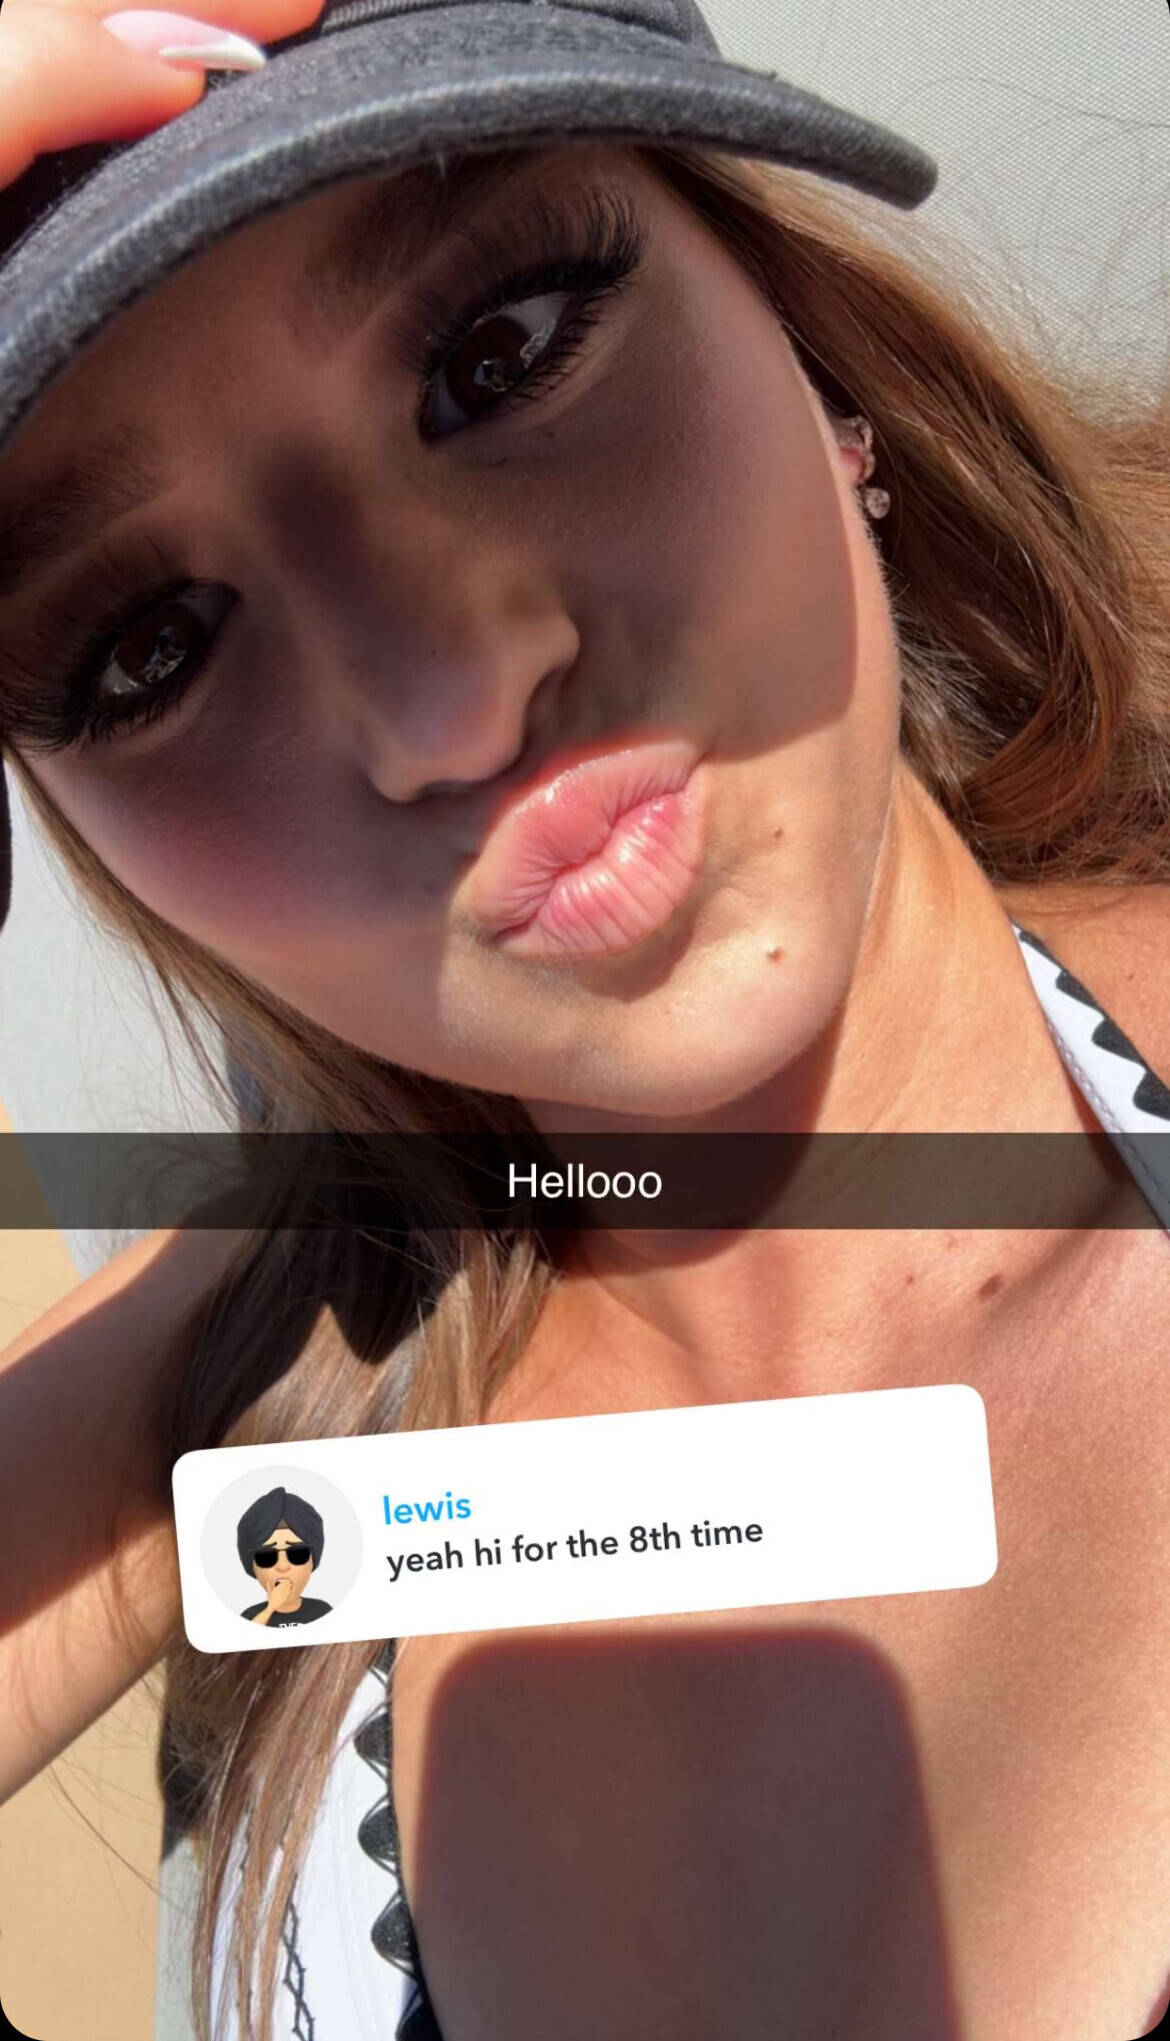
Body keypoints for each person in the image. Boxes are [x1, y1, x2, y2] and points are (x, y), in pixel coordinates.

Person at [0, 2, 1168, 2037]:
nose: (452, 705)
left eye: (501, 352)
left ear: (816, 363)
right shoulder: (289, 1402)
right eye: (148, 647)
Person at [236, 1486, 332, 1626]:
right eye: (266, 1556)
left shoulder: (322, 1611)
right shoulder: (251, 1617)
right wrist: (270, 1608)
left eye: (298, 1554)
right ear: (252, 1567)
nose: (282, 1566)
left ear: (313, 1561)